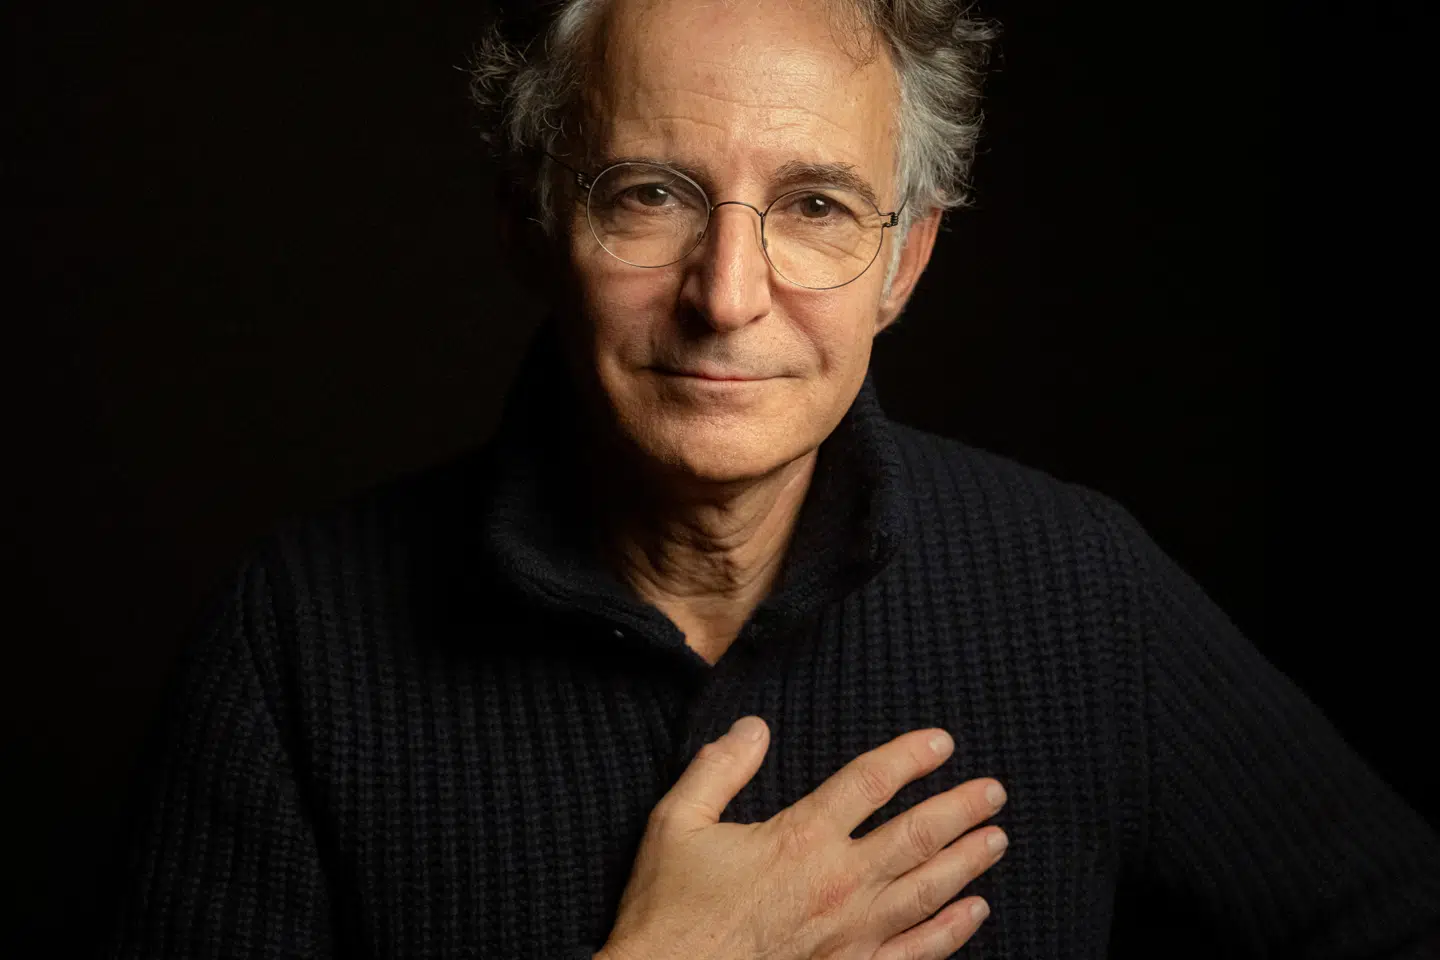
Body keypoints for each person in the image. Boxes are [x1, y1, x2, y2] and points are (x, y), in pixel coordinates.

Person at [100, 0, 1440, 958]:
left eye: (815, 207)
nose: (729, 296)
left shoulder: (1080, 588)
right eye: (650, 194)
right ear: (531, 225)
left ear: (904, 263)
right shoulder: (294, 641)